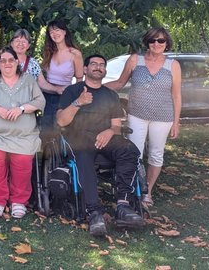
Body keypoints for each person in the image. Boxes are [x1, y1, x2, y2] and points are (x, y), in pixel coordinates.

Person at [57, 54, 145, 236]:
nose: (98, 67)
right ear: (86, 69)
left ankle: (124, 205)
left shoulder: (111, 95)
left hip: (106, 138)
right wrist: (78, 103)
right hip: (79, 138)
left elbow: (116, 125)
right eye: (94, 64)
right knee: (83, 156)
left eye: (102, 65)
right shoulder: (72, 91)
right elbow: (61, 121)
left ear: (104, 70)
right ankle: (94, 212)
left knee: (129, 150)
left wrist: (110, 131)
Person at [104, 27, 181, 207]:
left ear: (166, 43)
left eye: (161, 41)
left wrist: (176, 123)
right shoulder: (135, 60)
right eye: (153, 40)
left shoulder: (173, 65)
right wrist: (95, 87)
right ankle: (132, 189)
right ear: (147, 42)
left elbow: (176, 95)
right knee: (133, 153)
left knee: (156, 154)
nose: (156, 44)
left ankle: (147, 191)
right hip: (137, 114)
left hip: (163, 117)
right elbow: (120, 82)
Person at [0, 47, 45, 220]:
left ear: (17, 62)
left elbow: (40, 101)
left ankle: (18, 201)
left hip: (23, 135)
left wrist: (21, 109)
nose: (7, 63)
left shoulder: (28, 80)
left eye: (10, 60)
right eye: (3, 60)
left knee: (22, 161)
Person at [39, 19, 83, 131]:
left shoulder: (75, 54)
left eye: (57, 30)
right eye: (51, 32)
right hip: (47, 95)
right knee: (46, 130)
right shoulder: (49, 52)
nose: (54, 34)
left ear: (64, 32)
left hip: (65, 95)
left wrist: (76, 99)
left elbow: (79, 79)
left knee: (61, 129)